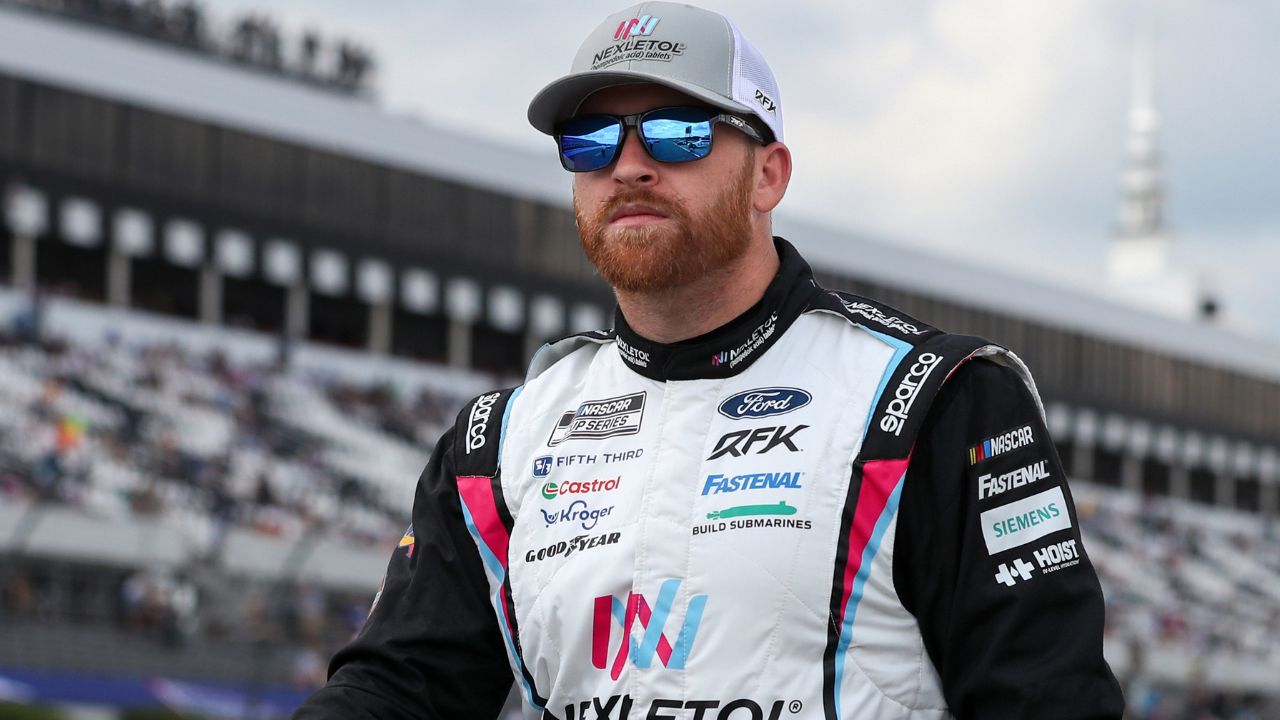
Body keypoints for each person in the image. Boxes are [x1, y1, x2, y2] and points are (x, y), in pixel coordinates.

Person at [292, 3, 1124, 719]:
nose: (629, 164)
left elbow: (1049, 699)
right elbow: (396, 689)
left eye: (677, 131)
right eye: (588, 142)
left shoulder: (935, 401)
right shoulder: (497, 443)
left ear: (769, 175)